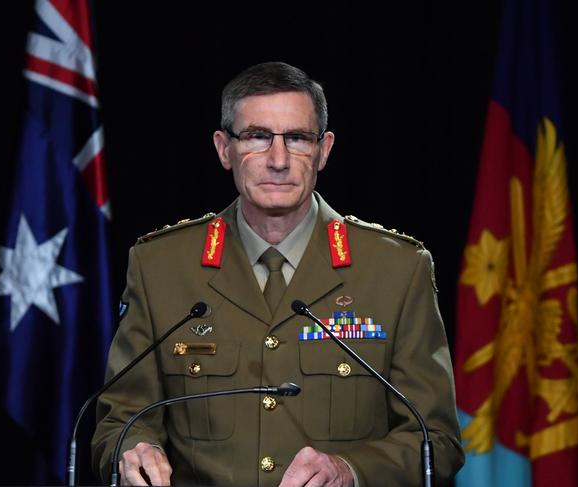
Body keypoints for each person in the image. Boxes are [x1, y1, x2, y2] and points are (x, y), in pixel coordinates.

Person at [92, 61, 464, 486]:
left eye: (298, 139)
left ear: (324, 150)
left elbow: (437, 439)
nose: (279, 159)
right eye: (257, 136)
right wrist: (135, 449)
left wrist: (351, 471)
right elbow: (119, 420)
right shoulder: (161, 267)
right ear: (223, 148)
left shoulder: (397, 270)